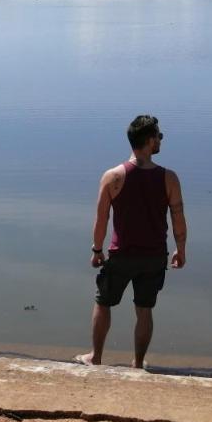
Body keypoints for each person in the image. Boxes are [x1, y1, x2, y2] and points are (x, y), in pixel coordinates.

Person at [76, 115, 186, 368]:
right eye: (159, 136)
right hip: (154, 256)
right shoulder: (169, 178)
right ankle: (137, 363)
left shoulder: (113, 177)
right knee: (144, 310)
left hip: (121, 254)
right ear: (149, 141)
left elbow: (101, 220)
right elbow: (178, 218)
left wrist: (96, 250)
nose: (161, 140)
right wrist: (181, 250)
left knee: (103, 303)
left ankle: (96, 357)